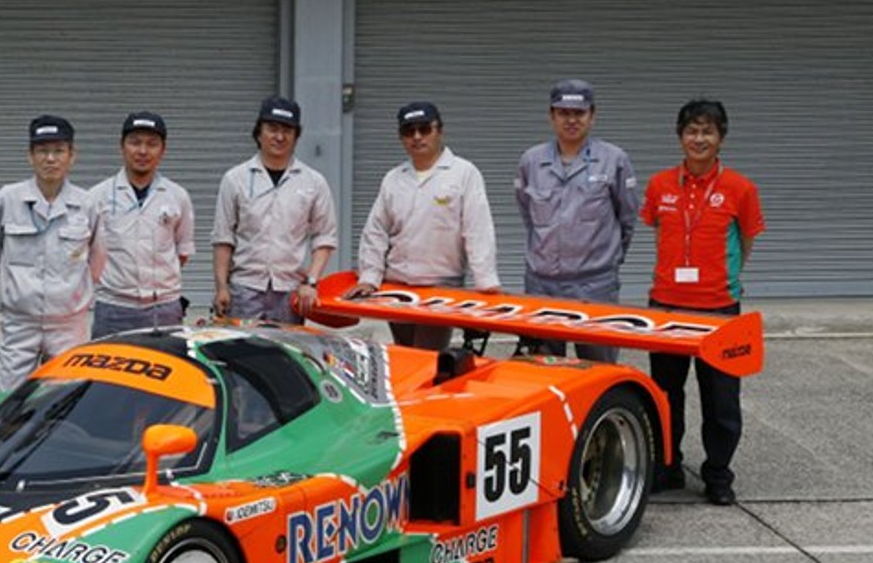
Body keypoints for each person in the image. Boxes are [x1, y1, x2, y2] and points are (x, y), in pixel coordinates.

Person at [641, 99, 765, 506]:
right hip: (666, 306)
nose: (699, 139)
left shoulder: (741, 189)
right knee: (665, 394)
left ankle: (718, 474)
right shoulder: (660, 184)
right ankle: (667, 467)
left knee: (721, 399)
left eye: (707, 131)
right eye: (692, 131)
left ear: (720, 138)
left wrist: (721, 279)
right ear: (680, 137)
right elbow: (658, 233)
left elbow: (746, 241)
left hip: (719, 309)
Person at [347, 101, 501, 349]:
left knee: (428, 358)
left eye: (424, 129)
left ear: (439, 131)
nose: (417, 137)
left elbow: (477, 230)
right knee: (405, 354)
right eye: (409, 131)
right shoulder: (393, 179)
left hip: (440, 288)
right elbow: (375, 232)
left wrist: (486, 283)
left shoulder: (464, 173)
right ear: (401, 137)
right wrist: (369, 277)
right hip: (398, 287)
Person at [514, 79, 638, 361]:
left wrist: (606, 261)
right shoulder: (531, 161)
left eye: (579, 113)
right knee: (543, 367)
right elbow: (528, 215)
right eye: (563, 113)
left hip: (595, 285)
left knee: (599, 368)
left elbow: (627, 218)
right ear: (552, 116)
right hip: (542, 285)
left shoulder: (614, 160)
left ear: (592, 116)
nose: (571, 120)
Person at [0, 114, 96, 392]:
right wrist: (17, 288)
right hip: (20, 320)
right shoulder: (8, 198)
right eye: (42, 151)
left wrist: (72, 293)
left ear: (72, 156)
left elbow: (97, 260)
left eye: (59, 151)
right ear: (30, 156)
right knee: (9, 398)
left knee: (68, 396)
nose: (50, 159)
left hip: (68, 323)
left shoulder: (87, 203)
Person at [211, 95, 338, 323]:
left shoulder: (313, 182)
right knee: (242, 346)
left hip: (290, 292)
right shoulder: (235, 179)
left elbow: (325, 237)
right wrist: (221, 287)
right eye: (272, 129)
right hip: (244, 290)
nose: (279, 137)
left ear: (296, 136)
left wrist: (311, 282)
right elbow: (223, 238)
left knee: (287, 347)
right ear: (259, 132)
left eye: (287, 130)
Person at [88, 111, 196, 336]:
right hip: (113, 308)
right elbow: (85, 254)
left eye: (152, 144)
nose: (143, 151)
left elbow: (182, 252)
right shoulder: (97, 197)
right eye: (135, 142)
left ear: (163, 150)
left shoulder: (177, 196)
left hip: (164, 308)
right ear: (122, 146)